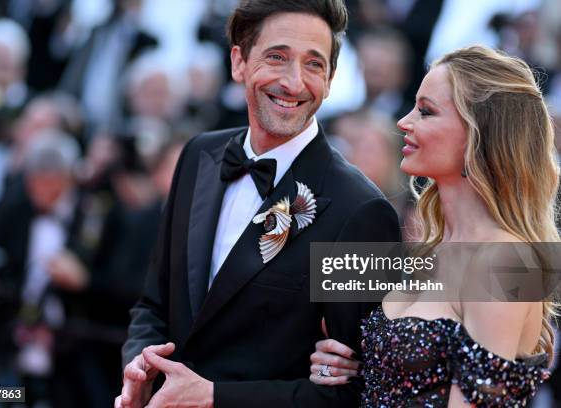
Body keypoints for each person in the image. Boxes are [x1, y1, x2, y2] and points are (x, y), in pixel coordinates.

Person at [115, 1, 400, 407]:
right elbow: (154, 304)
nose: (294, 82)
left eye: (314, 64)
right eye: (277, 57)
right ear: (238, 62)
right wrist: (139, 364)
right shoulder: (200, 155)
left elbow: (358, 393)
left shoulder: (361, 210)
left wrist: (214, 397)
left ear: (331, 78)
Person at [309, 45, 557, 406]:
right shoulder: (426, 250)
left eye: (426, 111)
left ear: (479, 134)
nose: (403, 122)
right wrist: (345, 371)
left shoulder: (510, 260)